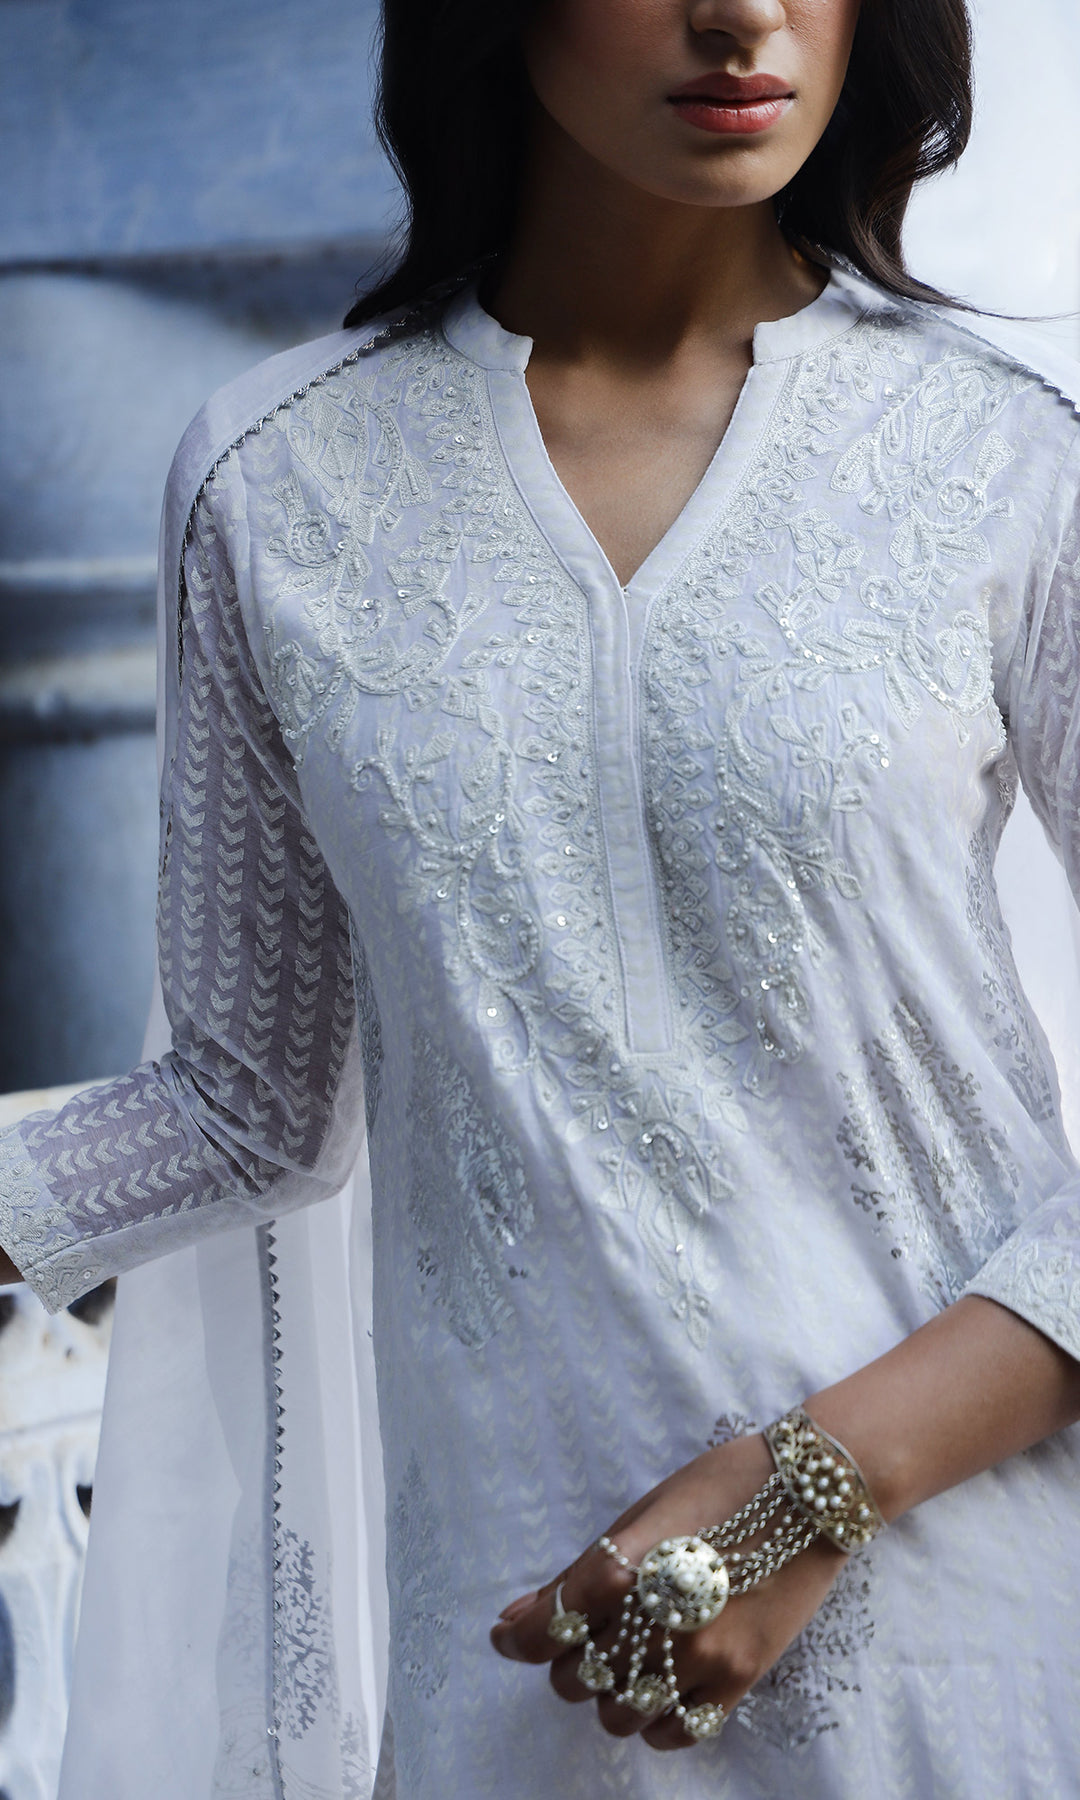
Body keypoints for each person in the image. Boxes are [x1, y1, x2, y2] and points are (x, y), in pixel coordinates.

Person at [3, 0, 1080, 1794]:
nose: (743, 15)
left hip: (963, 1618)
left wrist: (811, 1488)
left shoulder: (1012, 456)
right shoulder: (278, 484)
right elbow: (246, 1107)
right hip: (532, 1649)